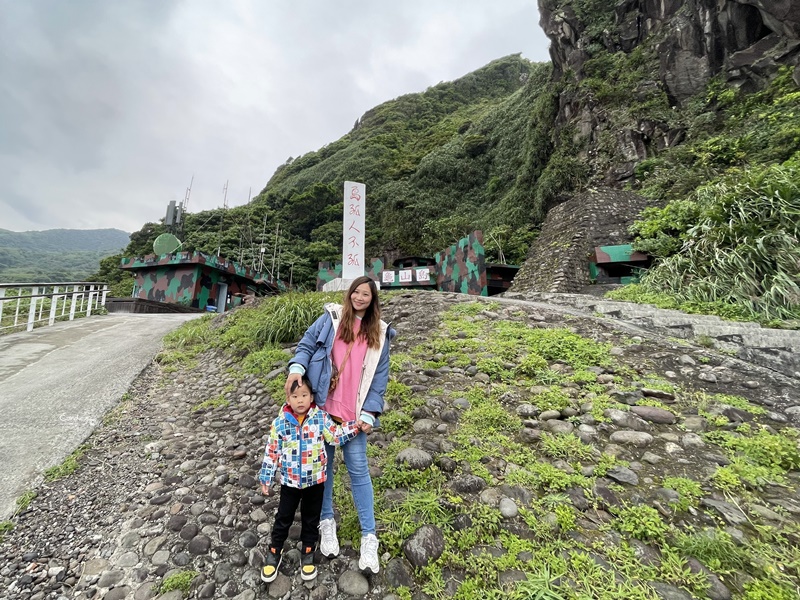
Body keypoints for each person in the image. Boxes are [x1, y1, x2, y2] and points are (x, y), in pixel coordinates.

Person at [284, 275, 395, 574]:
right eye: (356, 292)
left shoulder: (380, 335)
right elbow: (307, 345)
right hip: (322, 410)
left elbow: (379, 378)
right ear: (349, 294)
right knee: (324, 470)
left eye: (366, 295)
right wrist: (296, 369)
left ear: (373, 300)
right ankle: (326, 521)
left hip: (354, 417)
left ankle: (369, 536)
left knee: (359, 471)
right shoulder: (331, 319)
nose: (360, 298)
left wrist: (371, 412)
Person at [258, 375, 360, 583]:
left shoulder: (320, 418)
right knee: (283, 517)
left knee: (311, 518)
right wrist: (266, 476)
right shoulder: (280, 424)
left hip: (315, 481)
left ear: (311, 396)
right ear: (288, 399)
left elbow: (336, 435)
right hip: (290, 482)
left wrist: (355, 426)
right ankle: (275, 551)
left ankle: (307, 552)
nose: (300, 400)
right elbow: (272, 452)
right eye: (295, 396)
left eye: (304, 394)